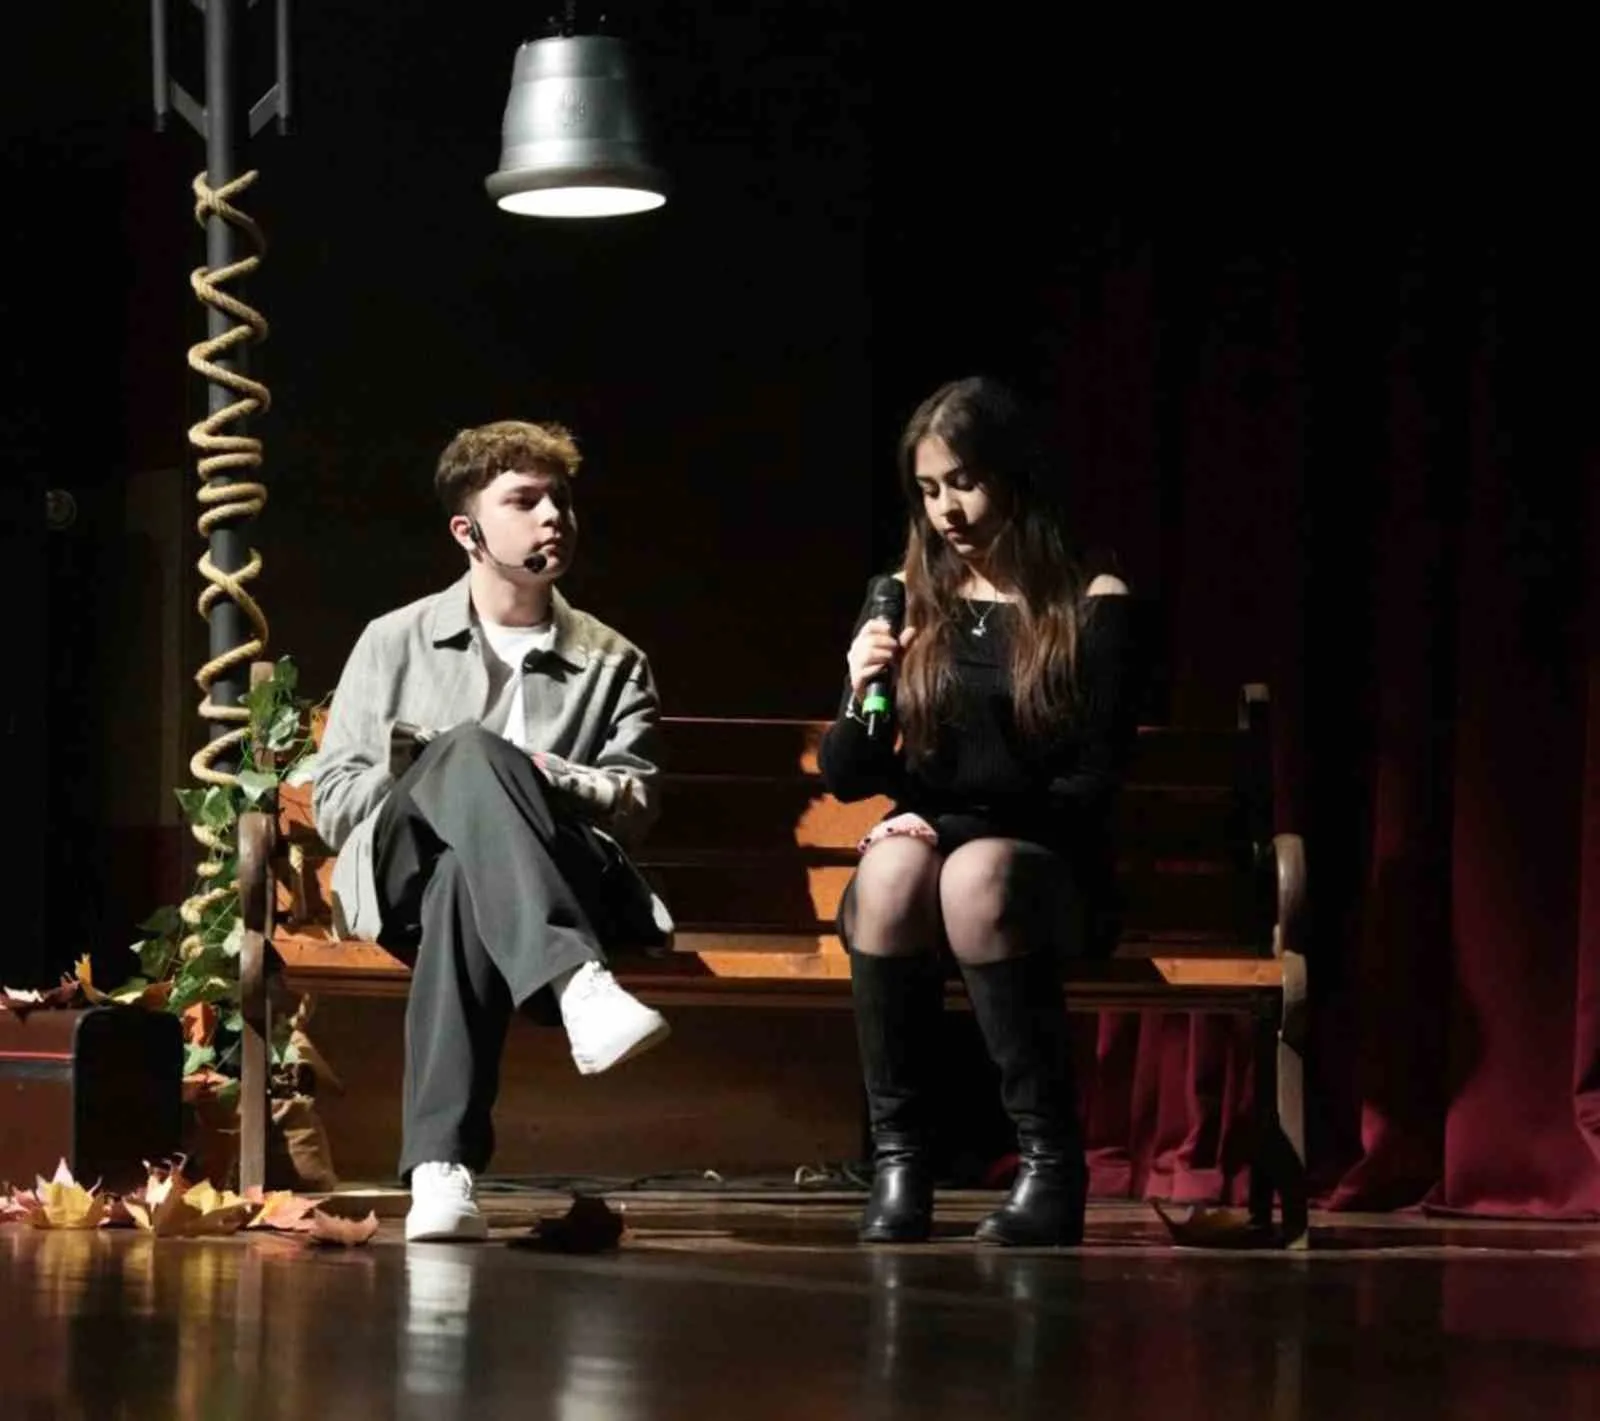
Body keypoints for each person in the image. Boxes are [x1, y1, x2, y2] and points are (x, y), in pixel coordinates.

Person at [313, 419, 673, 1242]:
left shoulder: (613, 660)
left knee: (464, 882)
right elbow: (335, 800)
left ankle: (440, 1171)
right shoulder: (393, 641)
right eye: (525, 500)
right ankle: (577, 983)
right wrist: (444, 781)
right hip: (402, 872)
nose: (554, 517)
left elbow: (637, 804)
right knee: (467, 755)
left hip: (550, 876)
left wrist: (540, 779)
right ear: (467, 531)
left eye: (562, 500)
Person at [818, 376, 1140, 1247]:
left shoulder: (1090, 602)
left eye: (963, 482)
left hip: (1047, 870)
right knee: (892, 870)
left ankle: (1051, 1164)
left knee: (973, 871)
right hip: (932, 861)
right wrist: (860, 684)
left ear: (1013, 475)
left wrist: (946, 824)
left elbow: (1090, 786)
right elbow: (847, 777)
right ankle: (900, 1161)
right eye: (928, 490)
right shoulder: (902, 593)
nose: (945, 511)